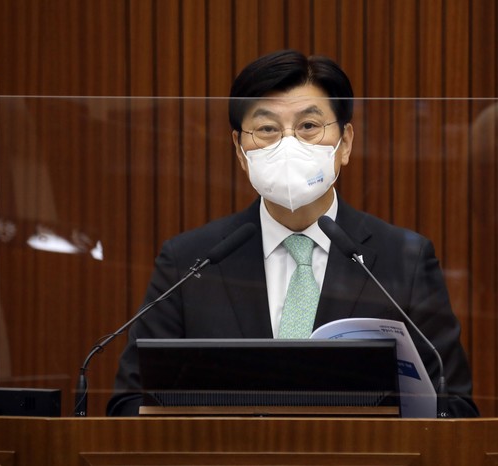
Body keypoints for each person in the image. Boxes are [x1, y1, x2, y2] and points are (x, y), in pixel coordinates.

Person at [107, 49, 478, 417]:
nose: (288, 145)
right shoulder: (189, 262)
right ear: (239, 149)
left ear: (345, 143)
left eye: (308, 126)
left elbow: (455, 406)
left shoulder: (403, 260)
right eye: (267, 129)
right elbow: (128, 404)